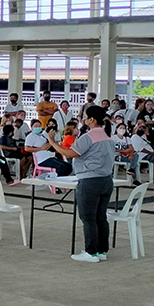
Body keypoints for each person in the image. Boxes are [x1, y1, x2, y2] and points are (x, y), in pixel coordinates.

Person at [45, 106, 117, 264]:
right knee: (100, 217)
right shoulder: (108, 137)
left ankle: (91, 252)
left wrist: (51, 142)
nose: (83, 119)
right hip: (106, 180)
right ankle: (101, 250)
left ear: (91, 119)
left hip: (90, 181)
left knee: (88, 218)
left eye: (85, 117)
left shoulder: (88, 137)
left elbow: (70, 153)